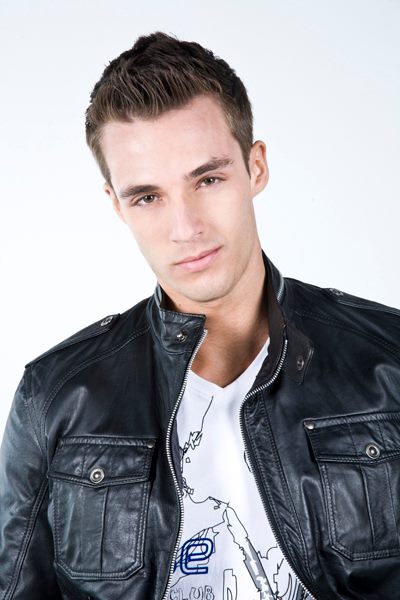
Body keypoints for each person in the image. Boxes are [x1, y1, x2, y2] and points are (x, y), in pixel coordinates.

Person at [1, 31, 399, 600]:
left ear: (255, 167)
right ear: (117, 205)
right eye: (147, 197)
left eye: (208, 180)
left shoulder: (388, 359)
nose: (185, 227)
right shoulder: (56, 395)